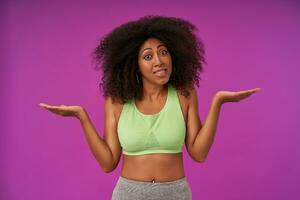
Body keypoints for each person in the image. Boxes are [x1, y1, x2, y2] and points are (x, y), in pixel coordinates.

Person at [39, 15, 261, 200]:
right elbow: (108, 163)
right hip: (129, 194)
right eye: (148, 56)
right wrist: (82, 116)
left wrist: (218, 102)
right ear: (134, 65)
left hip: (175, 193)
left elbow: (199, 153)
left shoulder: (185, 93)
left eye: (163, 52)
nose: (159, 61)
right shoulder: (117, 101)